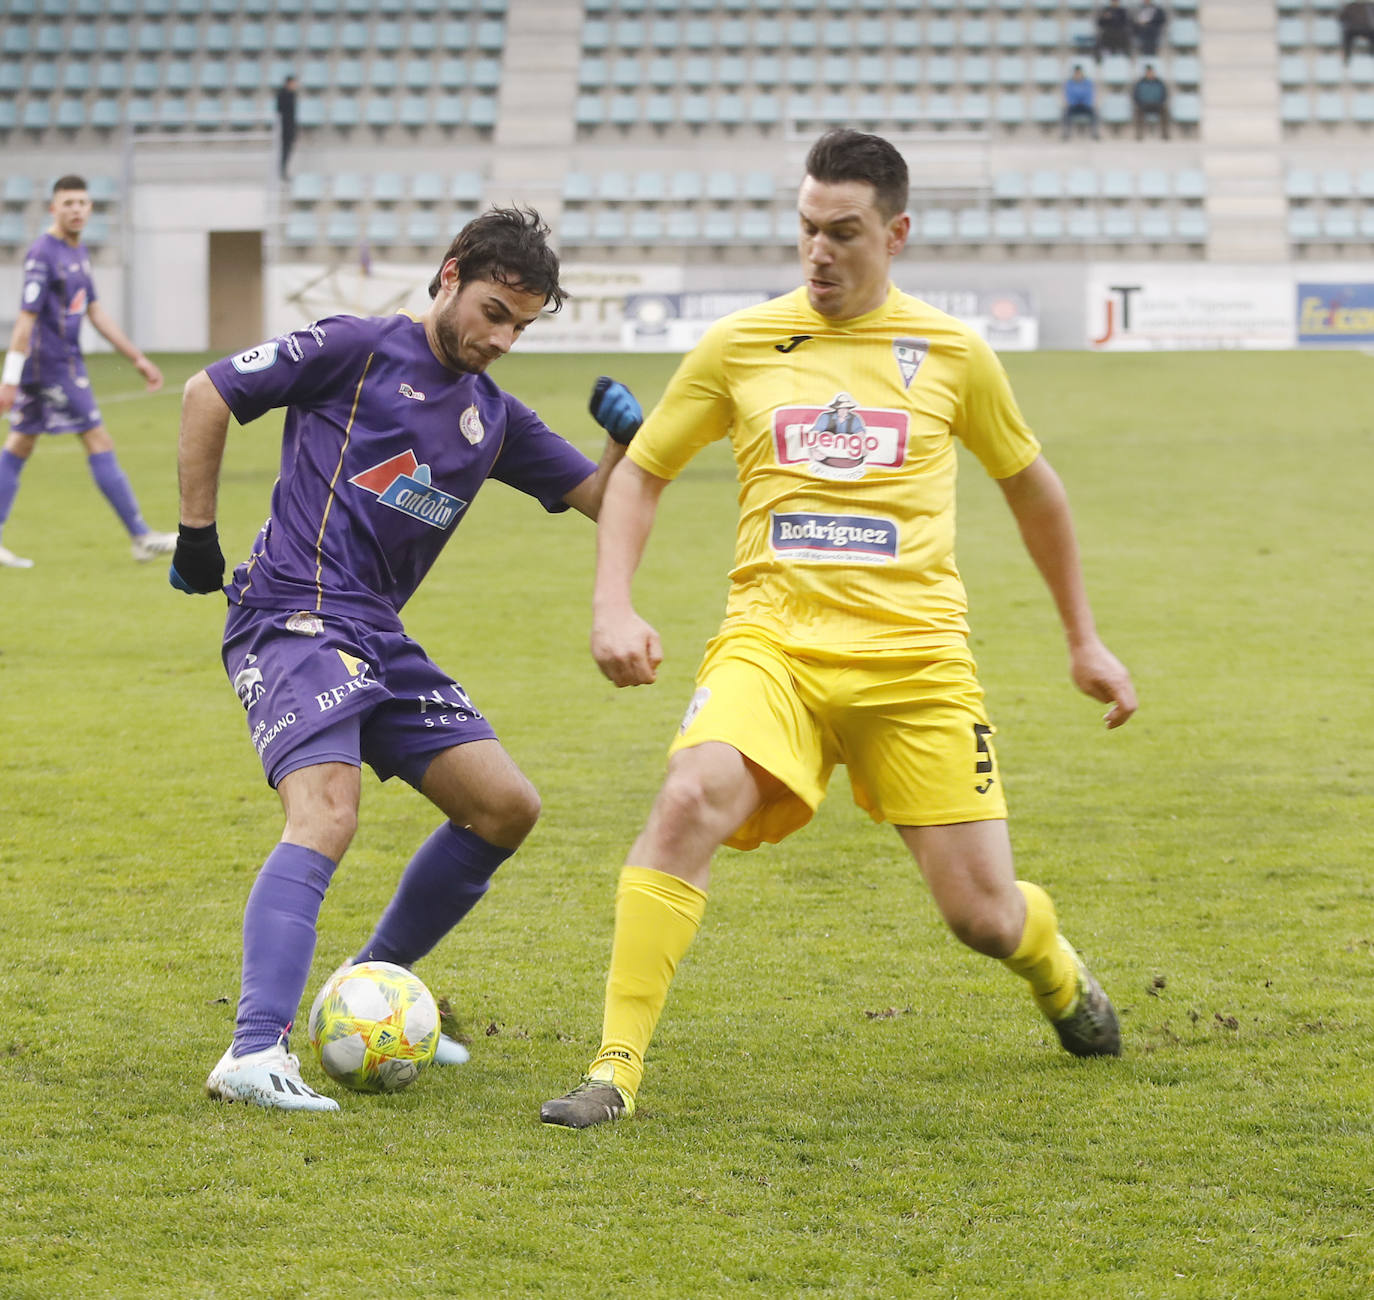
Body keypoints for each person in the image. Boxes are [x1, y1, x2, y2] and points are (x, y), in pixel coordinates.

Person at [541, 129, 1137, 1130]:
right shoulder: (740, 344)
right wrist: (613, 601)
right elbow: (642, 468)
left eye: (845, 233)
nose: (819, 252)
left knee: (983, 918)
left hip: (916, 664)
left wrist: (1084, 638)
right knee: (689, 796)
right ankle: (614, 1069)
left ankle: (1057, 969)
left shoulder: (953, 352)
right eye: (807, 230)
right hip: (772, 649)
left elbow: (1034, 490)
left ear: (895, 233)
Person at [172, 207, 645, 1112]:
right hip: (292, 613)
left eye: (521, 324)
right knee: (327, 814)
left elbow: (602, 499)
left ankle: (366, 987)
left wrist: (624, 443)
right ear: (449, 274)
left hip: (376, 634)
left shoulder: (493, 417)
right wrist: (199, 536)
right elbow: (207, 394)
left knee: (504, 807)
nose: (502, 337)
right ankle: (252, 1051)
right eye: (495, 312)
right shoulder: (355, 348)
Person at [0, 176, 175, 569]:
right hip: (51, 368)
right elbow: (25, 319)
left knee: (20, 444)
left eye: (82, 202)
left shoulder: (77, 253)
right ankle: (140, 536)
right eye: (68, 203)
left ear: (91, 208)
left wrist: (137, 358)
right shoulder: (43, 254)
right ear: (53, 209)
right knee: (98, 439)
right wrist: (9, 379)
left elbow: (95, 311)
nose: (77, 209)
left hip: (62, 364)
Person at [1062, 65, 1100, 140]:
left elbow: (1089, 94)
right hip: (1074, 105)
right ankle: (1066, 133)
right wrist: (1076, 101)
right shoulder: (1069, 83)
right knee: (1065, 113)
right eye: (1076, 73)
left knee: (1095, 113)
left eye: (1079, 73)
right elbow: (1069, 95)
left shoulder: (1088, 83)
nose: (1078, 75)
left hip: (1085, 105)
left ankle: (1094, 133)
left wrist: (1083, 101)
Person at [1132, 64, 1170, 138]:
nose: (1150, 74)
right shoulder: (1140, 83)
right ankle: (1139, 135)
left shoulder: (1159, 83)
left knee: (1165, 111)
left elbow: (1164, 94)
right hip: (1144, 105)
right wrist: (1139, 103)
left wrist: (1160, 102)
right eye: (1148, 72)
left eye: (1151, 72)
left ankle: (1165, 135)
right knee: (1138, 112)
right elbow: (1135, 95)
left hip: (1157, 105)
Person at [275, 75, 298, 180]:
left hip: (291, 127)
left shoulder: (293, 95)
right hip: (284, 128)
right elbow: (279, 112)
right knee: (284, 151)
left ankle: (284, 171)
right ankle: (282, 172)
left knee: (288, 151)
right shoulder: (282, 95)